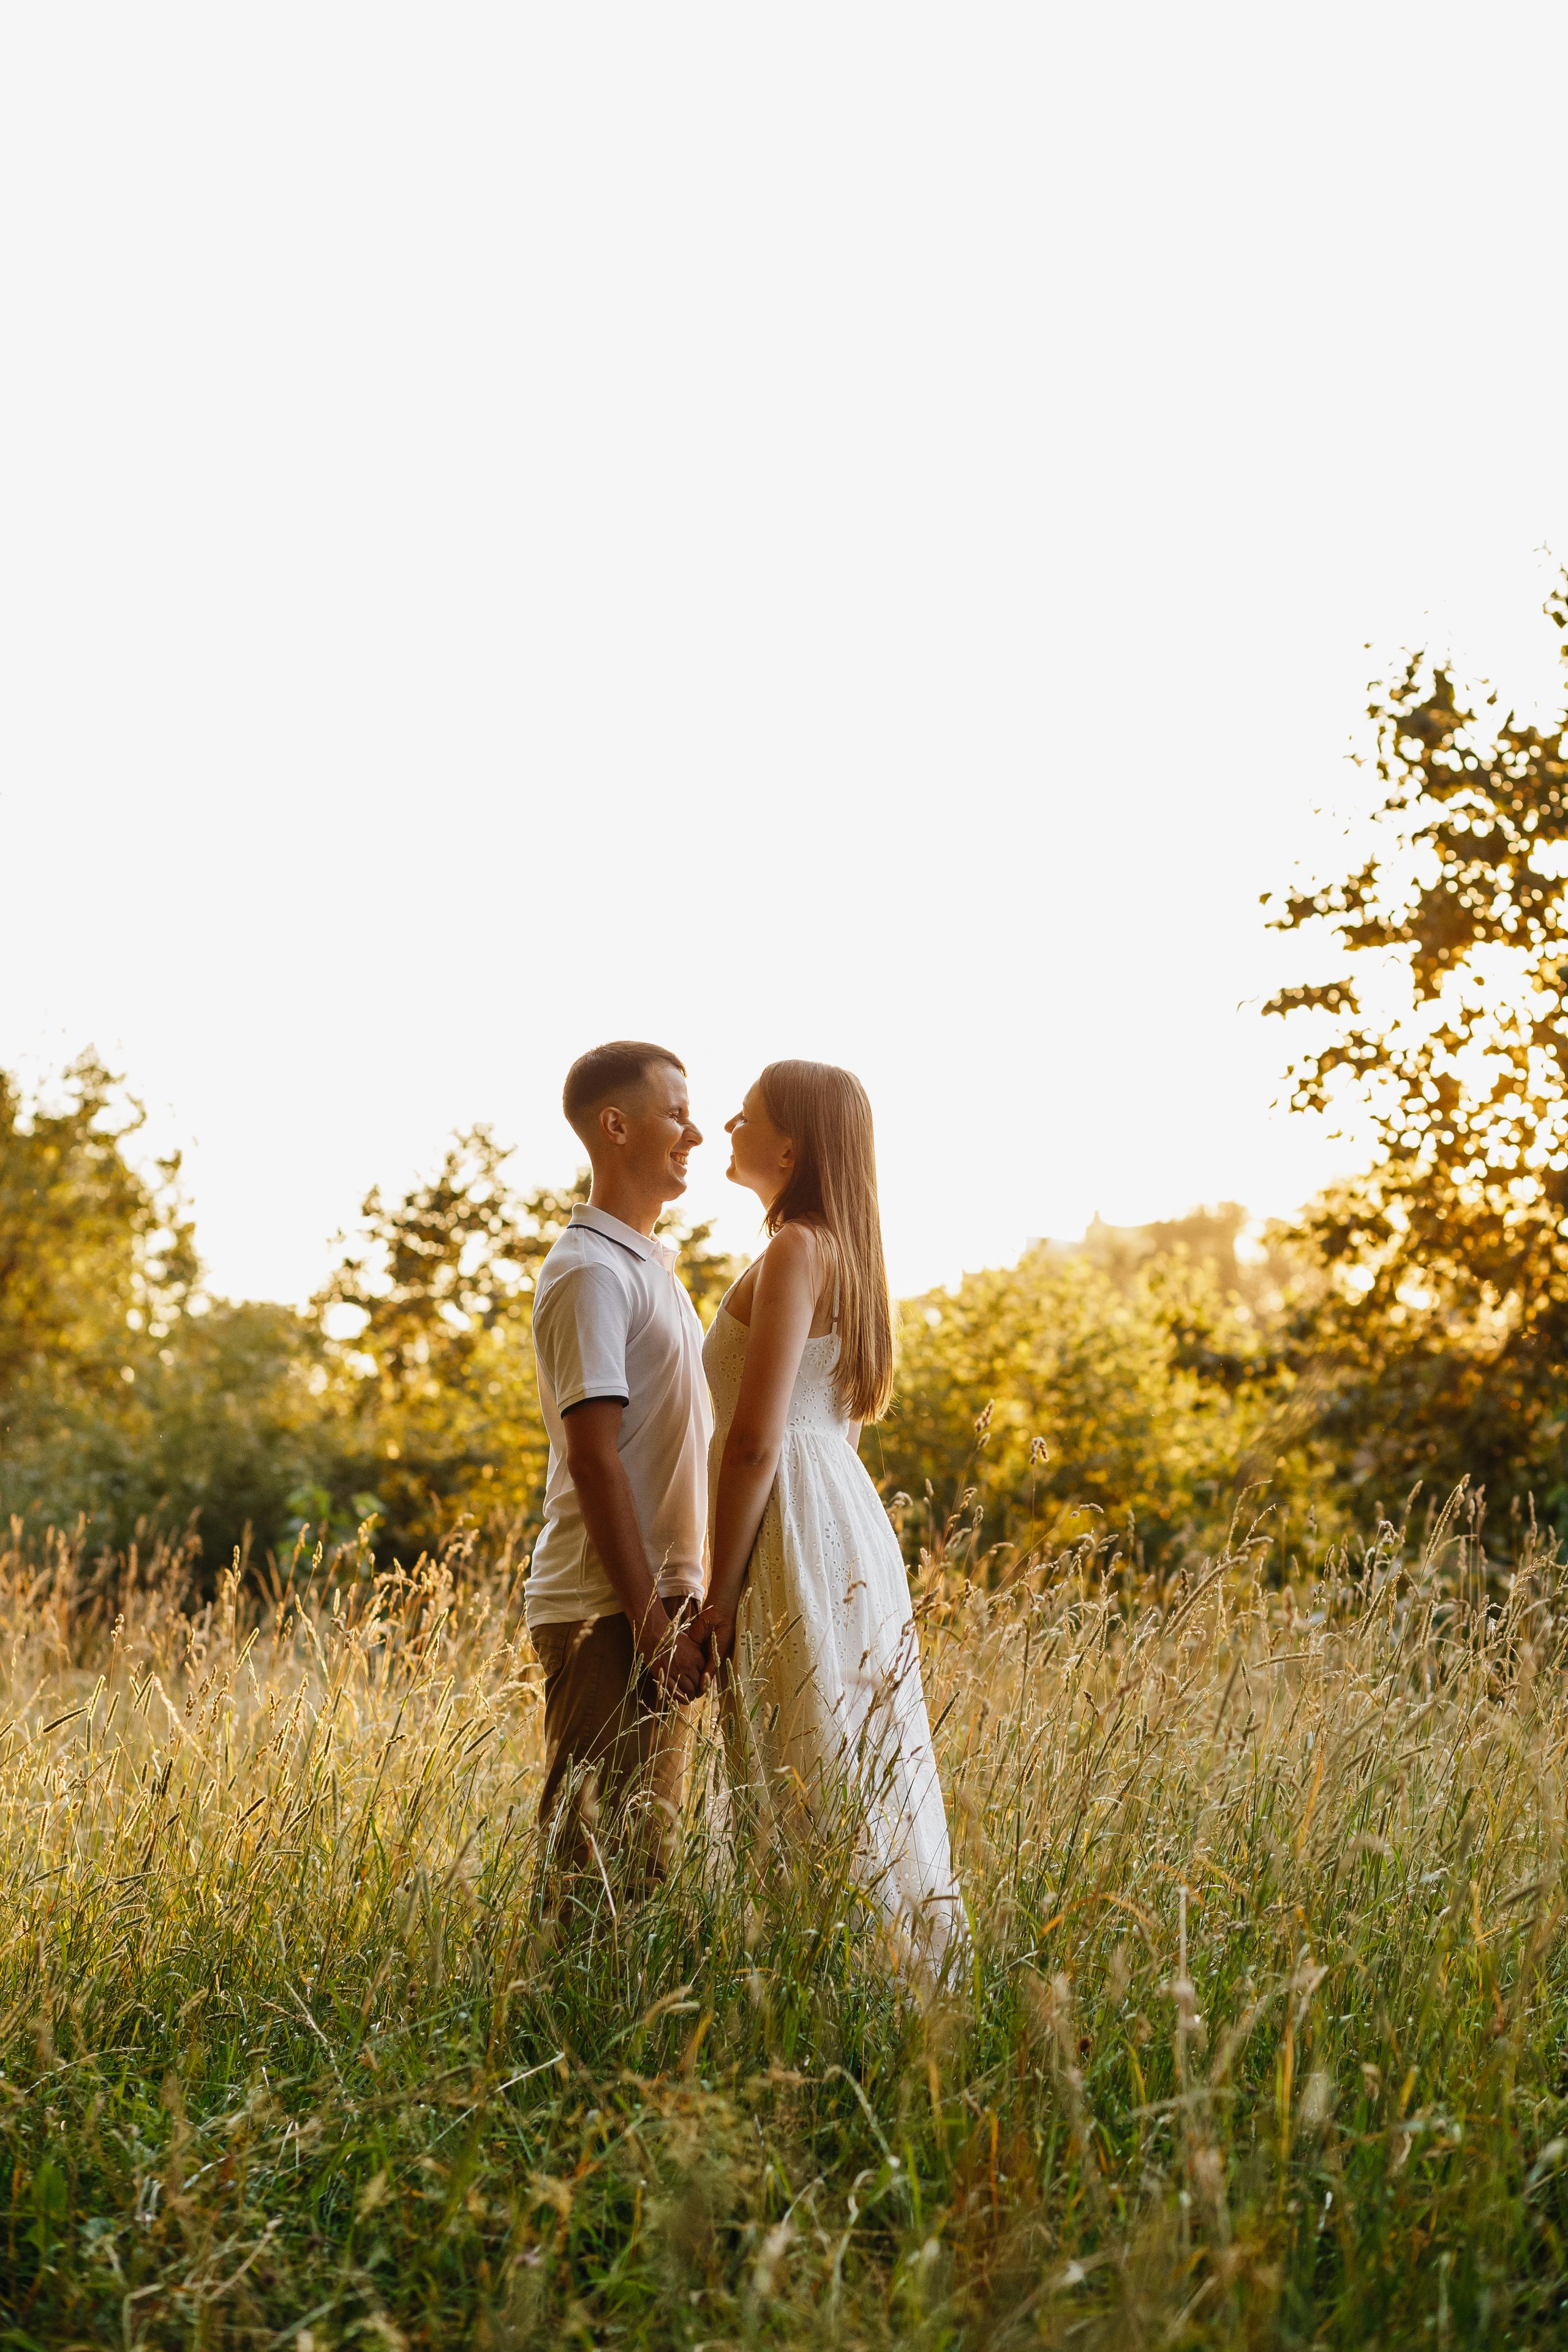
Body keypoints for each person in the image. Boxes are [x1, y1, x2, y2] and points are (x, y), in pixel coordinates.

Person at [692, 1060, 965, 1975]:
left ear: (790, 1144)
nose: (727, 1123)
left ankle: (842, 1983)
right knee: (844, 1755)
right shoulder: (848, 1253)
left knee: (802, 1765)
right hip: (841, 1515)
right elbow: (827, 1427)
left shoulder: (795, 1250)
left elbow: (754, 1443)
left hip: (790, 1517)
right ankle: (884, 1975)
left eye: (747, 1113)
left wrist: (717, 1597)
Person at [527, 1040, 711, 1896]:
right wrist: (648, 1622)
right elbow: (593, 1459)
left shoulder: (647, 1268)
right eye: (676, 1112)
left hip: (652, 1606)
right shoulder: (591, 1272)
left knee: (641, 1876)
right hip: (609, 1613)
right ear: (616, 1126)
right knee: (588, 1883)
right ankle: (546, 2034)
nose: (696, 1133)